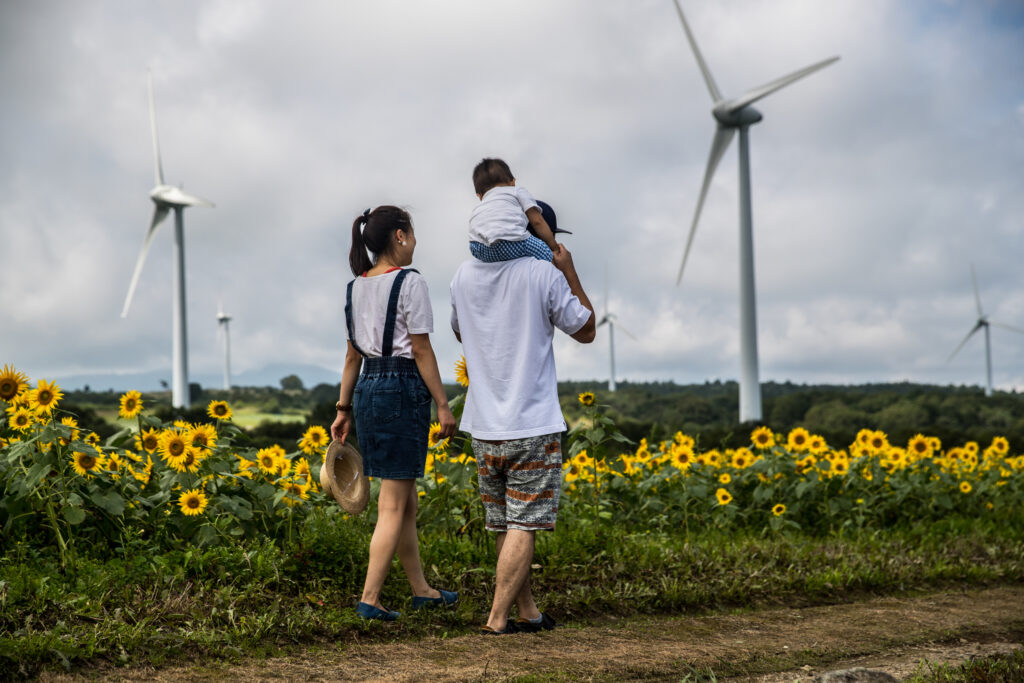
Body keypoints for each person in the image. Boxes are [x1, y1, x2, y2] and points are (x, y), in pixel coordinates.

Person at [450, 213, 596, 634]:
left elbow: (461, 333)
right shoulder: (543, 275)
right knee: (523, 525)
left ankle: (527, 611)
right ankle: (496, 620)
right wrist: (567, 271)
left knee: (505, 524)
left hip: (484, 426)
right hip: (530, 423)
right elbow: (586, 329)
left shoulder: (464, 275)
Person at [331, 205, 458, 621]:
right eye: (413, 234)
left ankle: (422, 590)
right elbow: (421, 350)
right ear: (400, 236)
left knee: (405, 502)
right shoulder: (410, 283)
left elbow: (352, 357)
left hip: (367, 389)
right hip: (402, 389)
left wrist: (343, 408)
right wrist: (443, 403)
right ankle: (370, 600)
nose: (416, 243)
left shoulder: (354, 287)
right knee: (393, 504)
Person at [468, 158, 560, 263]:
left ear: (479, 195)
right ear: (513, 182)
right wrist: (554, 248)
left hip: (479, 248)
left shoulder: (479, 206)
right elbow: (537, 221)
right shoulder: (517, 191)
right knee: (548, 256)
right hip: (510, 243)